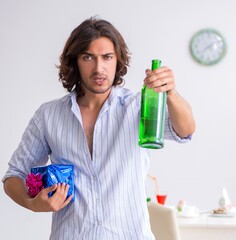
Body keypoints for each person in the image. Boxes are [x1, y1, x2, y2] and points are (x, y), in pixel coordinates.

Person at [2, 17, 195, 240]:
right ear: (75, 61)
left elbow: (185, 130)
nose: (99, 68)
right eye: (88, 57)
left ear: (117, 60)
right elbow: (14, 175)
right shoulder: (49, 115)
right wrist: (32, 203)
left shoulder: (138, 107)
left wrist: (171, 92)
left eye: (107, 57)